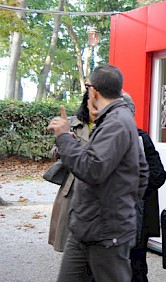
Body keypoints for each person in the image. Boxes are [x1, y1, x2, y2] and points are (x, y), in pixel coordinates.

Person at [47, 65, 149, 282]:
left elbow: (92, 169)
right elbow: (141, 172)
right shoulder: (112, 120)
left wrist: (64, 137)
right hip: (87, 227)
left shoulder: (117, 123)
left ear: (92, 90)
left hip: (106, 232)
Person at [122, 93, 166, 282]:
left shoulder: (140, 138)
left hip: (137, 218)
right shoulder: (101, 136)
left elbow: (159, 175)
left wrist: (132, 187)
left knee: (136, 267)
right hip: (115, 219)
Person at [48, 91, 98, 252]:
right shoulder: (71, 123)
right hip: (72, 186)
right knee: (70, 241)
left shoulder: (109, 127)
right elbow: (54, 152)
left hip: (97, 188)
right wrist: (64, 141)